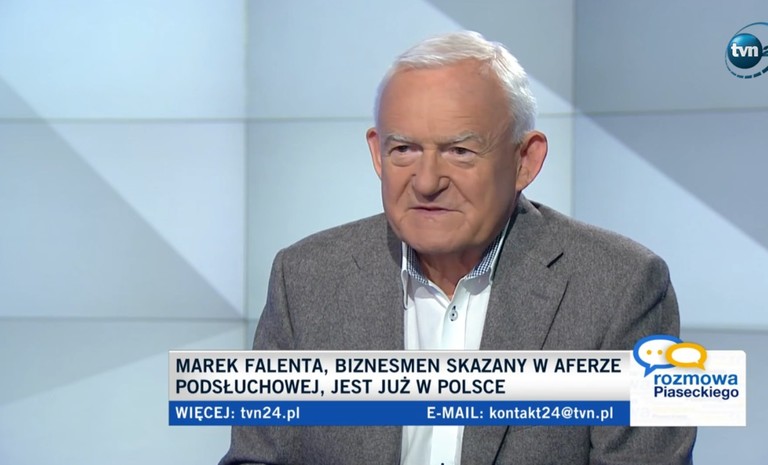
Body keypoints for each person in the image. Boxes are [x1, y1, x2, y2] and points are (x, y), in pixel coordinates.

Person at [221, 31, 696, 465]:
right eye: (404, 149)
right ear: (377, 153)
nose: (426, 182)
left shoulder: (621, 287)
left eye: (460, 151)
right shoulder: (306, 279)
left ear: (525, 160)